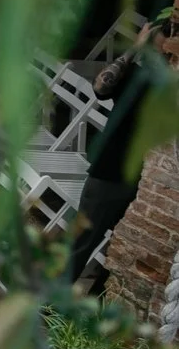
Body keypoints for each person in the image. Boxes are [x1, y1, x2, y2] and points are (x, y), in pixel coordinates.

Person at [67, 25, 178, 289]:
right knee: (82, 241)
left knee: (121, 243)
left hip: (145, 184)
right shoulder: (133, 77)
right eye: (155, 48)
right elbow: (101, 88)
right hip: (110, 172)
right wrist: (133, 51)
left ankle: (98, 295)